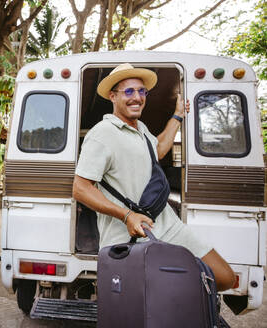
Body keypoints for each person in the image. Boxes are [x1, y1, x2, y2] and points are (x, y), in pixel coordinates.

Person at [72, 63, 235, 291]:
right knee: (139, 305)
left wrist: (177, 116)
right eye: (128, 91)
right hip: (128, 237)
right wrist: (127, 215)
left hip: (168, 225)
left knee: (225, 278)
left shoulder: (140, 129)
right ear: (113, 96)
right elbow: (80, 188)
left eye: (141, 91)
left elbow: (157, 150)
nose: (137, 97)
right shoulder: (102, 133)